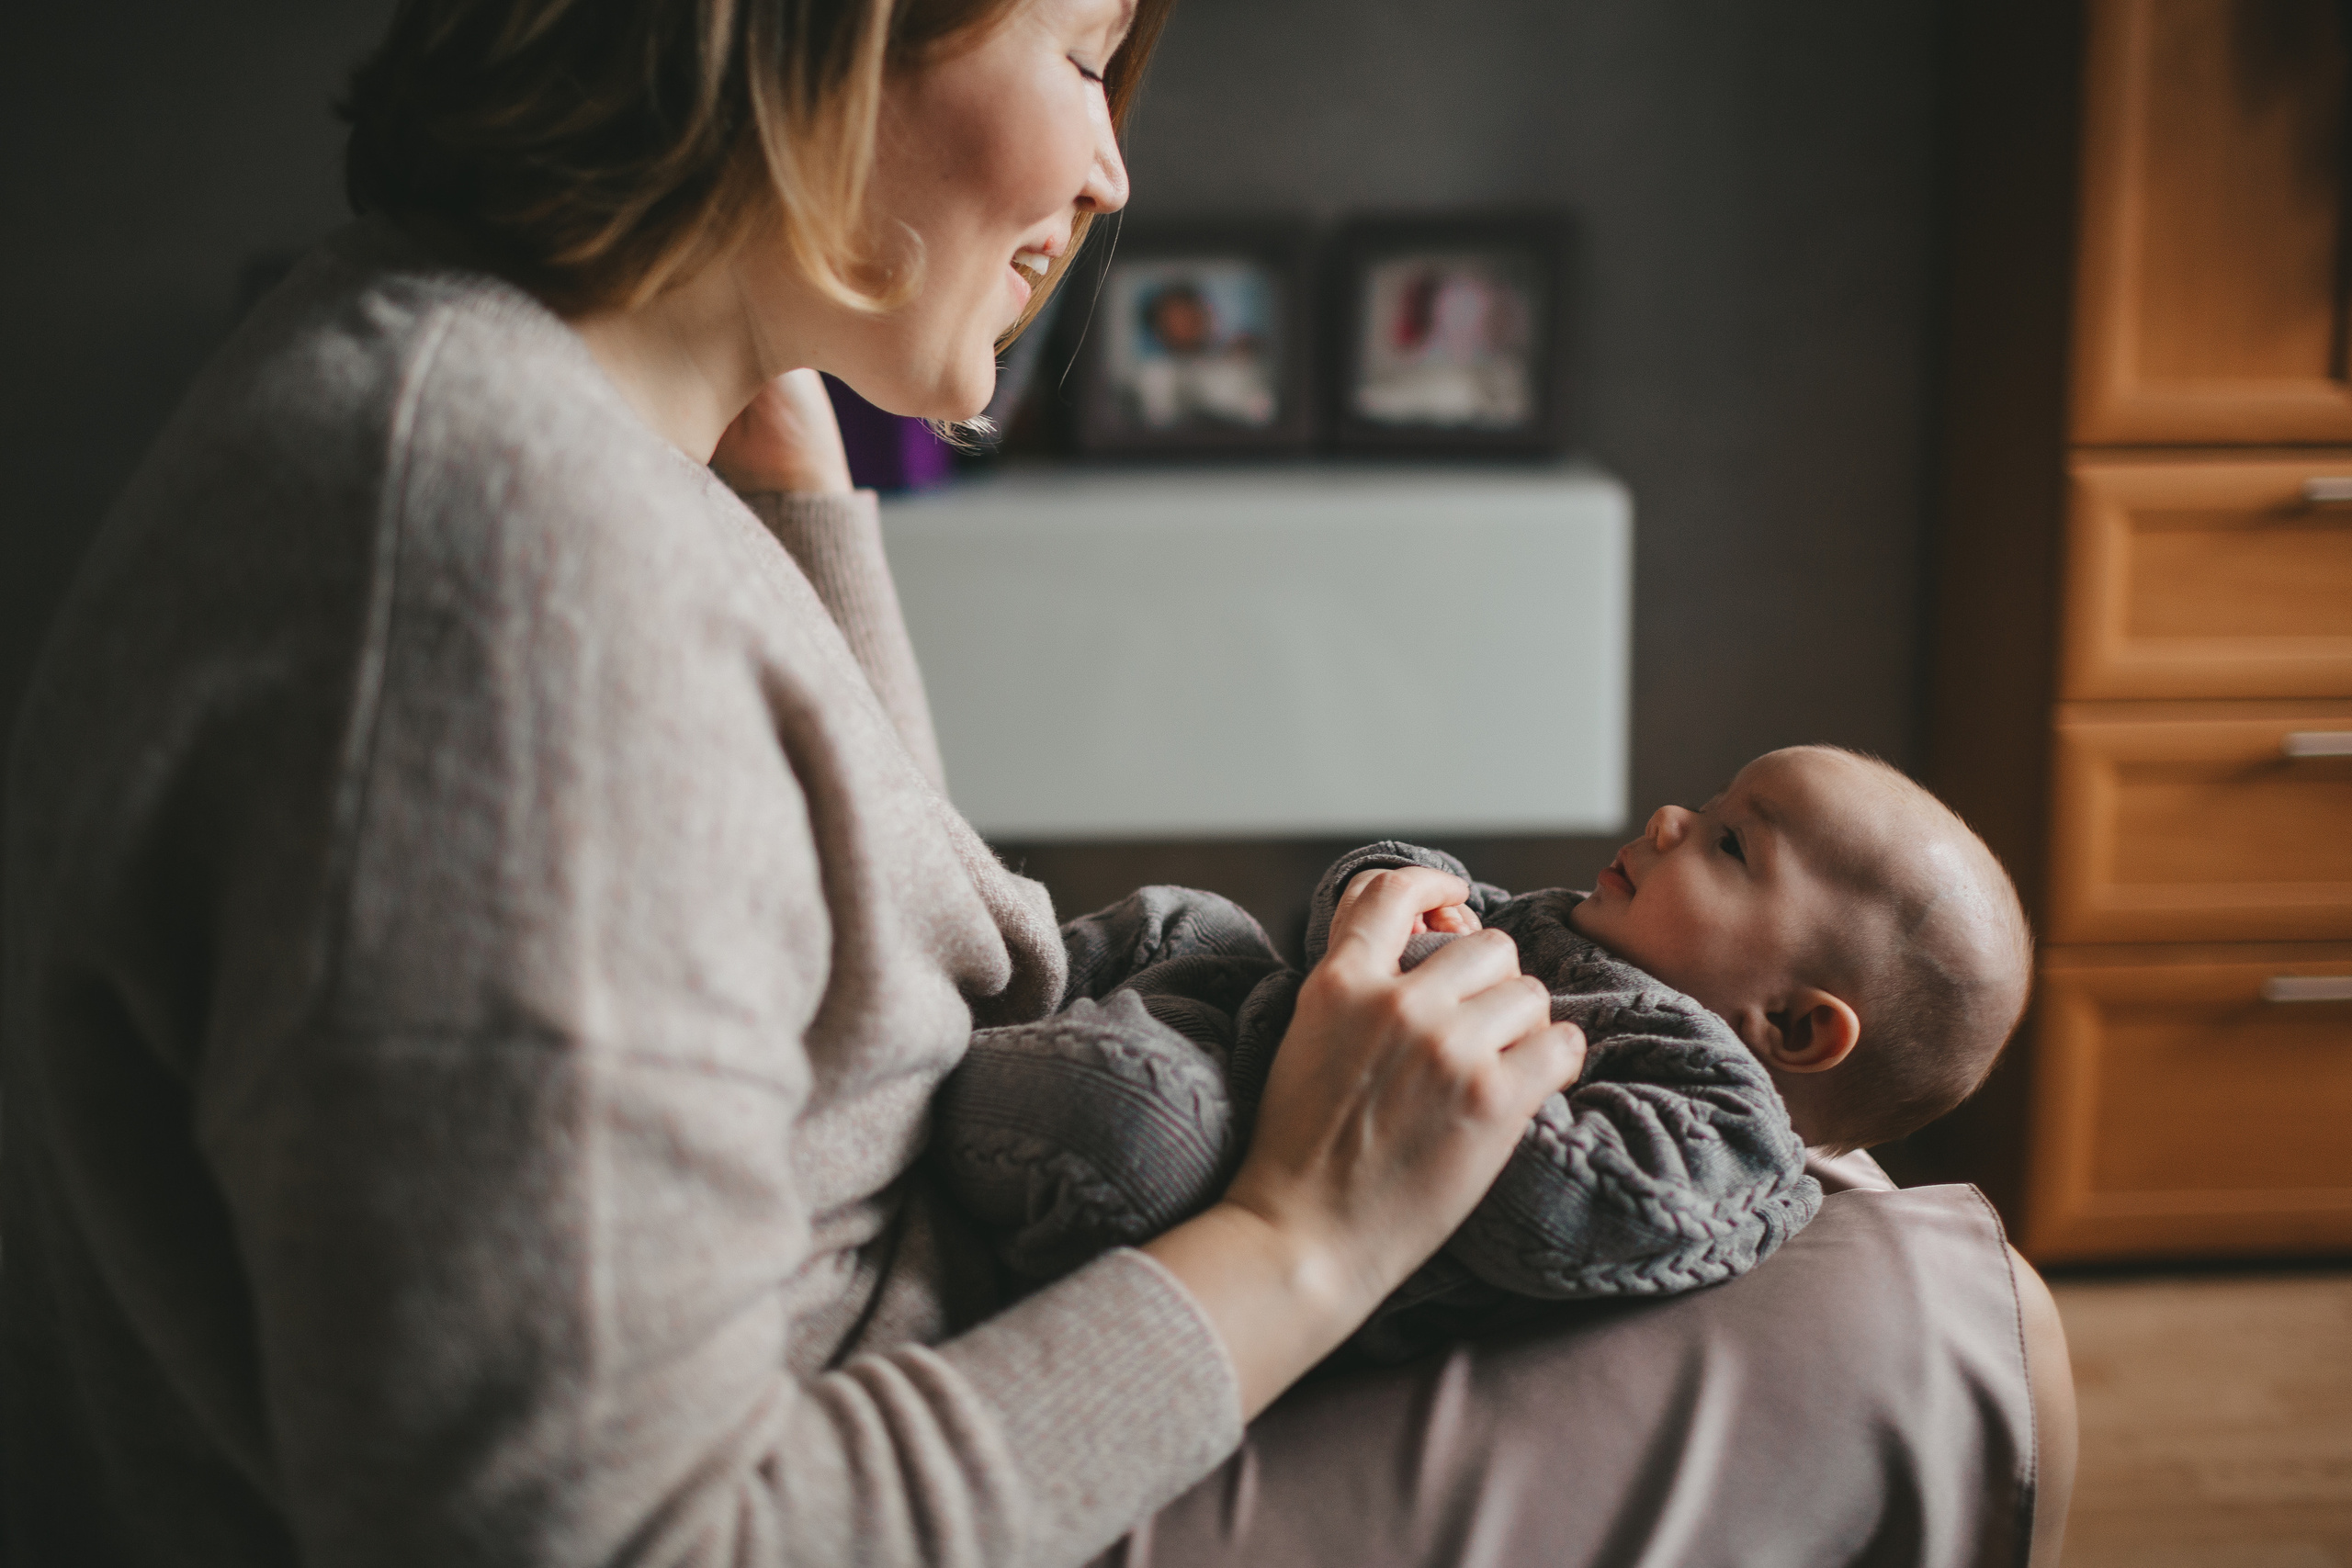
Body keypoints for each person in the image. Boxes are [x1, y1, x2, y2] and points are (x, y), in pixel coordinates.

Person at [0, 3, 2074, 1566]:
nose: (1112, 171)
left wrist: (799, 495)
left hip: (928, 1287)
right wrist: (1303, 1238)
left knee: (1849, 1222)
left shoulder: (543, 416)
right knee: (1945, 1324)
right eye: (1082, 52)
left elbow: (864, 972)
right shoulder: (491, 576)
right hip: (878, 1428)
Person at [933, 746, 2027, 1354]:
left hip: (1237, 1162)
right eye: (1706, 802)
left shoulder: (1722, 1128)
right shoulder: (1577, 933)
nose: (1666, 819)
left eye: (1731, 843)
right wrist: (1383, 884)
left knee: (1131, 1126)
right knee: (1184, 916)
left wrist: (1421, 995)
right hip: (1249, 1019)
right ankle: (958, 997)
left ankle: (926, 1084)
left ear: (1791, 1026)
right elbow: (1444, 888)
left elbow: (1576, 1205)